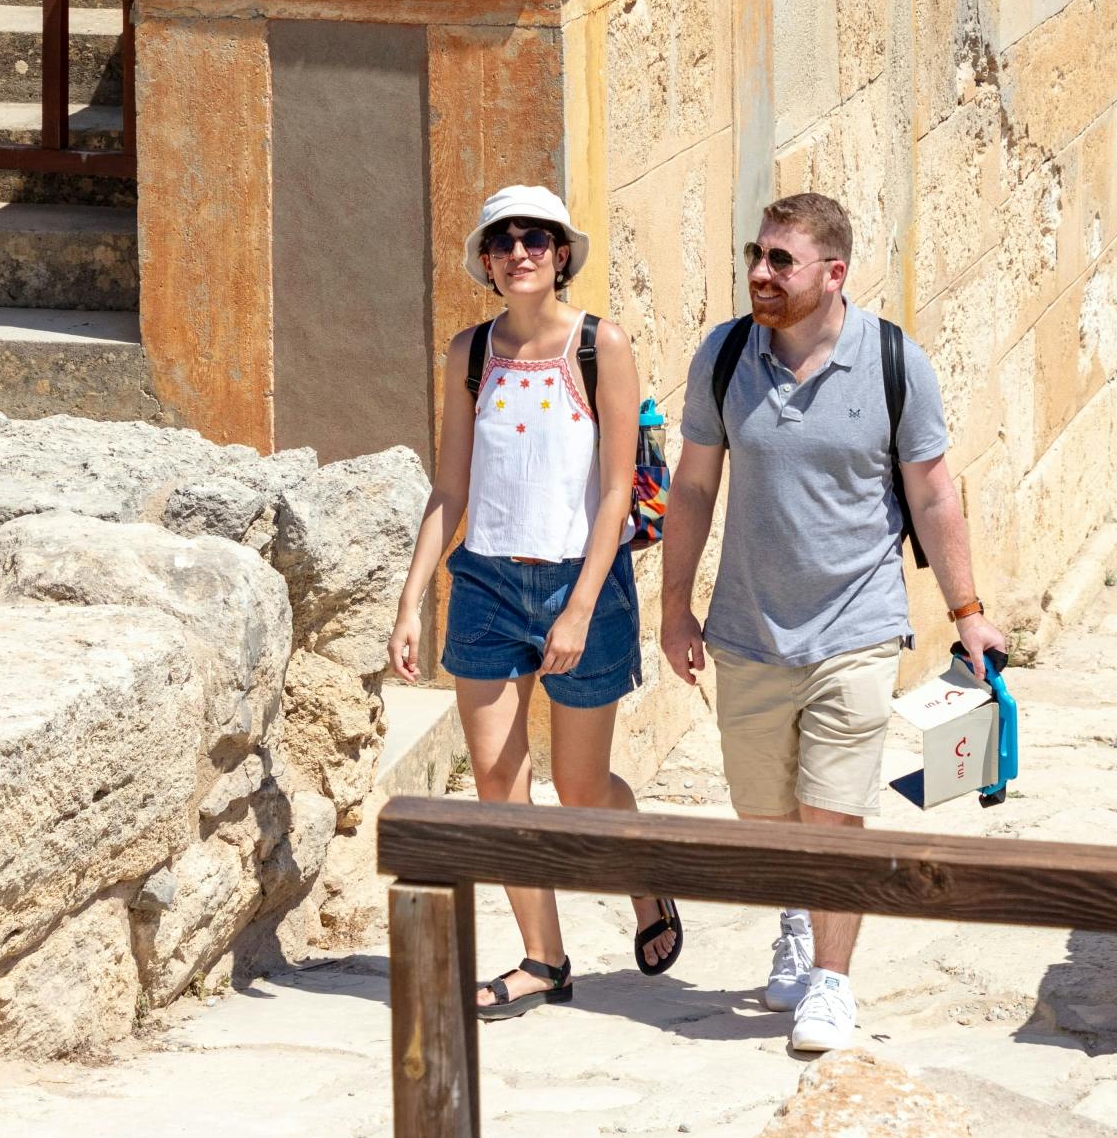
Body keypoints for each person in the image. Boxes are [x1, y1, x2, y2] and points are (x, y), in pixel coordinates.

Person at [659, 191, 1008, 1060]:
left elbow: (931, 491)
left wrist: (967, 613)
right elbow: (695, 486)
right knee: (764, 811)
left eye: (781, 260)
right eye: (756, 254)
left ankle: (833, 981)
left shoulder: (894, 362)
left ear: (833, 273)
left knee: (835, 810)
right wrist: (674, 605)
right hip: (747, 630)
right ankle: (795, 916)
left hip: (858, 625)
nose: (759, 273)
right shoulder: (726, 355)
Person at [387, 182, 682, 1014]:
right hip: (484, 581)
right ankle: (543, 959)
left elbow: (619, 491)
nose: (521, 252)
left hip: (580, 581)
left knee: (580, 788)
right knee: (496, 781)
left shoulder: (601, 346)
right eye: (504, 241)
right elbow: (450, 487)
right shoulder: (468, 354)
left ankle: (646, 880)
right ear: (486, 261)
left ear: (561, 255)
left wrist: (582, 607)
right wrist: (412, 601)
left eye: (538, 238)